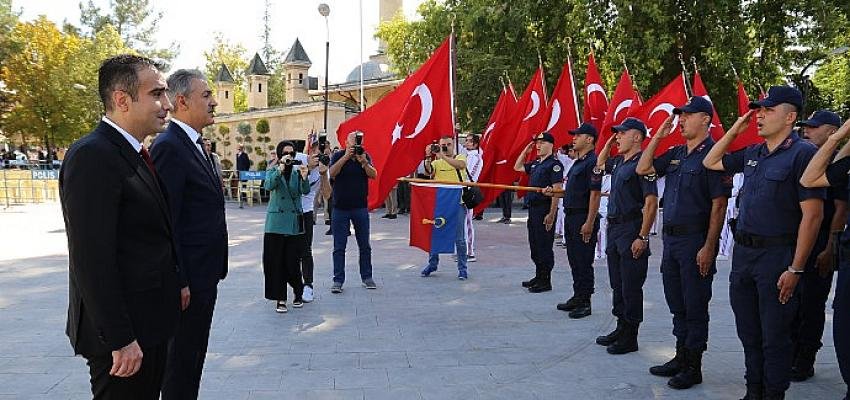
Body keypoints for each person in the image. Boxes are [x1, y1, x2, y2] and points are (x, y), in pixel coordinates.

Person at [59, 54, 181, 399]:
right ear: (122, 100)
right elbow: (91, 258)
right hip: (123, 340)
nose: (167, 104)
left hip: (148, 323)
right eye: (157, 93)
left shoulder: (132, 150)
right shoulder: (93, 155)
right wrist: (120, 338)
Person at [703, 86, 825, 400]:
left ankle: (773, 394)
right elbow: (711, 161)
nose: (760, 114)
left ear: (791, 117)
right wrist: (735, 129)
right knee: (749, 333)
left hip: (777, 256)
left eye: (768, 110)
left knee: (775, 337)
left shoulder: (804, 154)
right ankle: (752, 391)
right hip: (745, 256)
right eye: (759, 109)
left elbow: (812, 217)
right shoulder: (754, 153)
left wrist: (796, 269)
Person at [635, 97, 731, 389]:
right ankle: (680, 355)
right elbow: (643, 168)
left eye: (687, 115)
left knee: (694, 305)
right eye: (680, 115)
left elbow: (719, 205)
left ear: (705, 119)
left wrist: (709, 246)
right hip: (673, 240)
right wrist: (657, 137)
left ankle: (694, 365)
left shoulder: (714, 155)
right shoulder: (676, 153)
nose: (681, 120)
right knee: (677, 303)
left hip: (695, 240)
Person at [149, 69, 228, 400]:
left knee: (192, 359)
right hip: (188, 282)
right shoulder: (170, 146)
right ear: (181, 101)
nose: (213, 102)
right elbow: (166, 221)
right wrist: (178, 278)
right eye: (206, 95)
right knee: (180, 364)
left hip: (204, 275)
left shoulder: (194, 145)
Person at [594, 117, 658, 355]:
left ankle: (631, 335)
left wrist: (643, 237)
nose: (618, 136)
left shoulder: (644, 164)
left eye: (622, 133)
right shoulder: (621, 162)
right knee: (617, 284)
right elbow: (600, 163)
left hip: (632, 228)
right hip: (615, 229)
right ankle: (620, 326)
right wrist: (610, 141)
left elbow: (651, 203)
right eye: (616, 134)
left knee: (631, 286)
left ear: (638, 137)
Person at [799, 116, 850, 400]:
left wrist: (829, 246)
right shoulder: (842, 162)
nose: (806, 131)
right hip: (838, 252)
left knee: (812, 305)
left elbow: (839, 209)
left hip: (829, 243)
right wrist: (839, 138)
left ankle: (805, 356)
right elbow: (810, 179)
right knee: (842, 329)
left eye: (813, 126)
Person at [555, 123, 602, 319]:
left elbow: (594, 194)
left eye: (578, 135)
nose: (574, 138)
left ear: (589, 139)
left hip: (583, 216)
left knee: (583, 260)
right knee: (574, 259)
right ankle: (577, 295)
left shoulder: (593, 162)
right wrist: (555, 192)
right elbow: (575, 190)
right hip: (572, 215)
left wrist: (589, 222)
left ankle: (585, 302)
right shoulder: (579, 162)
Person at [263, 141, 310, 313]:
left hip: (292, 223)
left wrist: (305, 177)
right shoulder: (272, 169)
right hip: (275, 224)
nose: (289, 155)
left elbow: (304, 191)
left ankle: (298, 292)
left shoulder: (298, 170)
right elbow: (268, 186)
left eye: (292, 152)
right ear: (280, 154)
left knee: (292, 262)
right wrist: (280, 169)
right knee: (276, 263)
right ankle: (280, 298)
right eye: (285, 153)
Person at [328, 132, 377, 293]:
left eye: (358, 142)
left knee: (364, 245)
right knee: (339, 246)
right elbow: (332, 173)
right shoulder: (338, 155)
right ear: (345, 143)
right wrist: (345, 158)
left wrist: (363, 162)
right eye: (353, 142)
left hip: (360, 207)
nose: (355, 145)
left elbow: (374, 175)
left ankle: (367, 277)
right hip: (340, 208)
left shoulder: (364, 156)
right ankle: (338, 280)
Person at [515, 131, 563, 293]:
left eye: (542, 143)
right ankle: (538, 275)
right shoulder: (536, 163)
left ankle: (545, 280)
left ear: (550, 145)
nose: (538, 145)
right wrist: (525, 151)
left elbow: (557, 190)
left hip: (544, 209)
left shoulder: (554, 165)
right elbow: (518, 167)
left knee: (544, 246)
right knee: (534, 245)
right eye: (537, 143)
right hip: (533, 210)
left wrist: (551, 214)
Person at [420, 135, 470, 280]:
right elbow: (428, 171)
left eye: (448, 144)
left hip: (457, 203)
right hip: (440, 203)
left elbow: (460, 165)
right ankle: (432, 264)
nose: (446, 147)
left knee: (459, 239)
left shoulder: (460, 156)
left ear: (453, 145)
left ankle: (462, 268)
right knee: (434, 235)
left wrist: (442, 156)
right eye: (443, 145)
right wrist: (428, 157)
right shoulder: (437, 162)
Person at [295, 140, 332, 303]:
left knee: (306, 250)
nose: (321, 157)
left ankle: (308, 285)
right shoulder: (298, 159)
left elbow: (327, 194)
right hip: (290, 212)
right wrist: (309, 169)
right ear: (310, 152)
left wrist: (323, 174)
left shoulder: (324, 168)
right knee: (287, 252)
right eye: (318, 154)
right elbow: (292, 186)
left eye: (326, 153)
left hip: (307, 212)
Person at [464, 134, 483, 260]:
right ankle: (464, 249)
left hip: (468, 191)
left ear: (475, 144)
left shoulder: (475, 157)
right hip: (464, 190)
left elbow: (469, 175)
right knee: (463, 222)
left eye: (469, 141)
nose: (466, 143)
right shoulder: (468, 155)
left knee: (467, 222)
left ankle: (469, 251)